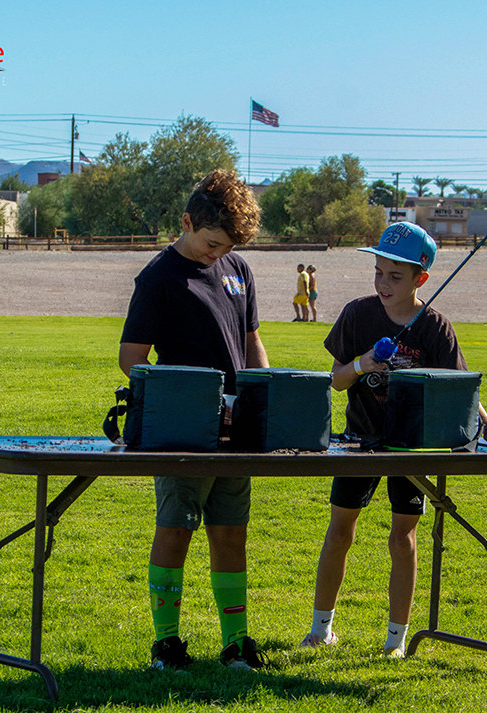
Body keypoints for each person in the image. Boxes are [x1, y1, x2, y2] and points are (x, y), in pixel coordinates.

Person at [300, 221, 487, 658]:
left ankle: (396, 641)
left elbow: (460, 389)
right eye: (378, 272)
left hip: (413, 448)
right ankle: (321, 630)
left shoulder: (435, 327)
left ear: (422, 278)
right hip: (360, 442)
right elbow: (336, 381)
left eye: (395, 276)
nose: (383, 283)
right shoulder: (358, 314)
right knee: (340, 532)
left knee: (403, 538)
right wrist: (363, 363)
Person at [119, 169, 270, 673]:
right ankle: (166, 644)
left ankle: (236, 643)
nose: (216, 253)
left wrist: (264, 389)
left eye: (226, 246)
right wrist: (185, 392)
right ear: (186, 222)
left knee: (231, 533)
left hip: (237, 432)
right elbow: (131, 357)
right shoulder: (158, 277)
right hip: (183, 431)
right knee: (176, 528)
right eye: (211, 243)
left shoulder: (238, 269)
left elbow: (250, 341)